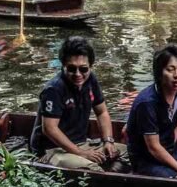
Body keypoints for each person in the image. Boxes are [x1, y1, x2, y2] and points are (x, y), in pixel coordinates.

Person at [30, 37, 116, 171]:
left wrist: (108, 141)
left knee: (129, 153)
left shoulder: (91, 80)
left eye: (83, 69)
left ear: (90, 66)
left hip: (82, 143)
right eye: (71, 69)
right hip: (53, 149)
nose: (78, 74)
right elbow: (49, 129)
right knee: (94, 170)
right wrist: (81, 153)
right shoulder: (54, 89)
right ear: (63, 66)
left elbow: (102, 112)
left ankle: (114, 175)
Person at [126, 45, 177, 178]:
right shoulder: (147, 103)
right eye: (170, 70)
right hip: (146, 159)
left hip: (169, 150)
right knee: (175, 177)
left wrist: (171, 151)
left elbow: (176, 124)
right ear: (160, 73)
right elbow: (153, 148)